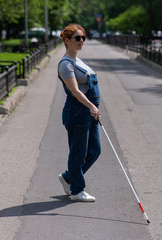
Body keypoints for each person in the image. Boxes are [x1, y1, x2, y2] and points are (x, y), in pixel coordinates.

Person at [57, 24, 101, 202]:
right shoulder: (65, 65)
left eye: (83, 37)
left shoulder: (78, 61)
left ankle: (68, 177)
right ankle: (77, 190)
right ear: (67, 41)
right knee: (78, 154)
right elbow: (75, 91)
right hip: (77, 114)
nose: (81, 41)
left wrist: (92, 108)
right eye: (77, 38)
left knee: (94, 151)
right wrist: (91, 106)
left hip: (89, 113)